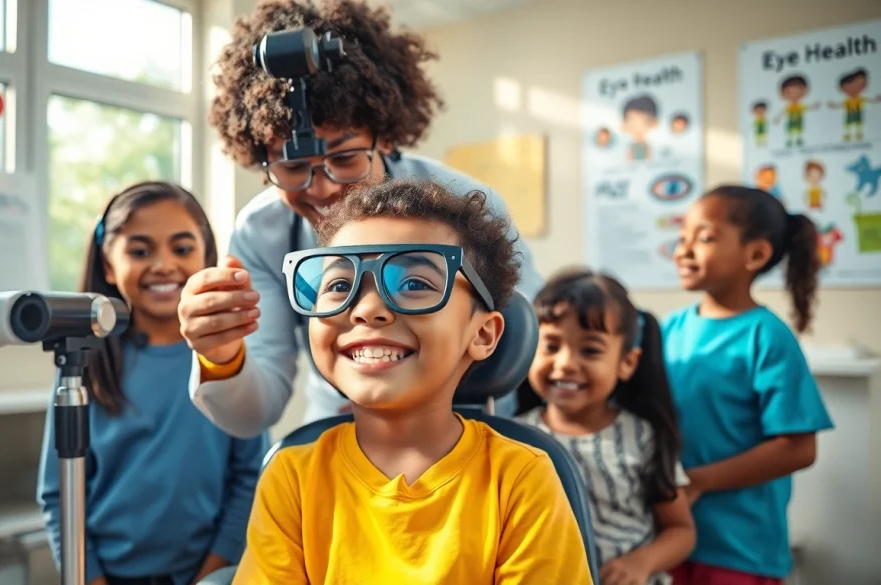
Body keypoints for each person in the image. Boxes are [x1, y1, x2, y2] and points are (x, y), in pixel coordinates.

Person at [179, 0, 543, 438]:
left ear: (384, 137)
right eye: (292, 167)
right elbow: (252, 413)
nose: (321, 188)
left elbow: (517, 341)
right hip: (340, 426)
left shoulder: (466, 206)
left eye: (345, 158)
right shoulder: (262, 232)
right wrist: (221, 355)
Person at [232, 180, 592, 584]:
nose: (367, 309)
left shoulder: (521, 478)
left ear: (482, 334)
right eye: (339, 285)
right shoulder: (292, 476)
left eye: (414, 284)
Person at [36, 182, 268, 585]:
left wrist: (210, 575)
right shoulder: (83, 363)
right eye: (140, 251)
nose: (163, 265)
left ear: (206, 257)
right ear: (108, 265)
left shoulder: (227, 360)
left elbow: (249, 480)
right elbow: (59, 495)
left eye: (182, 248)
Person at [663, 185, 834, 585]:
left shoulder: (767, 337)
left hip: (741, 549)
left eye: (704, 238)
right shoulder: (671, 329)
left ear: (755, 254)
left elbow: (798, 448)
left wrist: (699, 481)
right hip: (670, 537)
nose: (683, 250)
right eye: (682, 237)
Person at [517, 268, 695, 585]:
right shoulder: (512, 439)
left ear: (627, 363)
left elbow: (680, 530)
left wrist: (641, 562)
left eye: (590, 350)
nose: (565, 363)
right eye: (551, 346)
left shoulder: (641, 437)